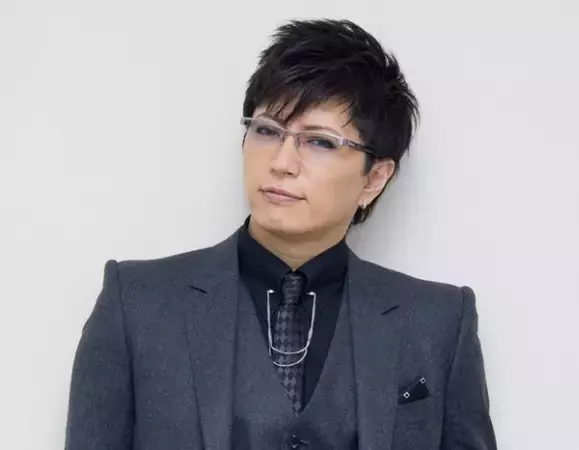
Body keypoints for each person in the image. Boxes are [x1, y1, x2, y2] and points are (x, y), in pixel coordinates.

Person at [65, 18, 497, 450]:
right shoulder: (136, 303)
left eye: (320, 141)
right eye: (267, 131)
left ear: (374, 178)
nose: (282, 162)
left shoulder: (439, 322)